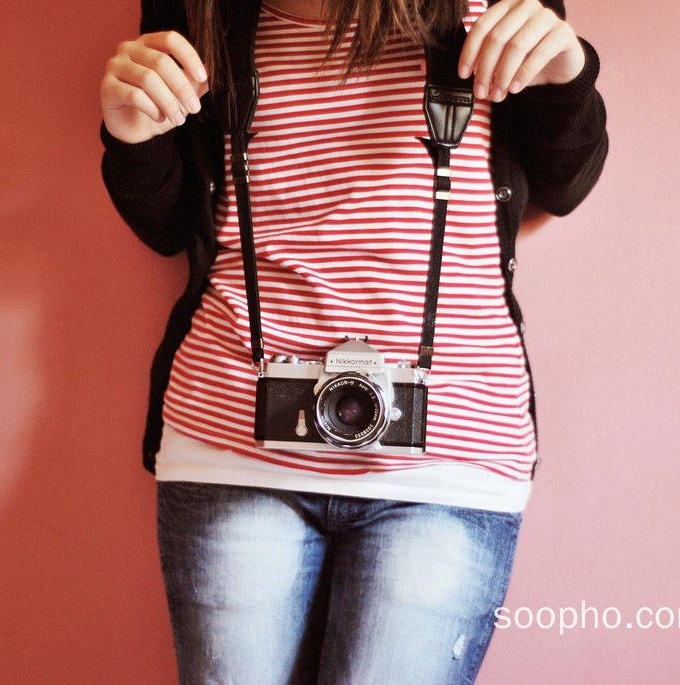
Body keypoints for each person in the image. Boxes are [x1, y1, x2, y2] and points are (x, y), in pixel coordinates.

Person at [100, 0, 607, 681]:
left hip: (452, 448)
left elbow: (563, 184)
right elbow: (171, 223)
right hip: (232, 439)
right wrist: (130, 135)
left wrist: (567, 74)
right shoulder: (200, 7)